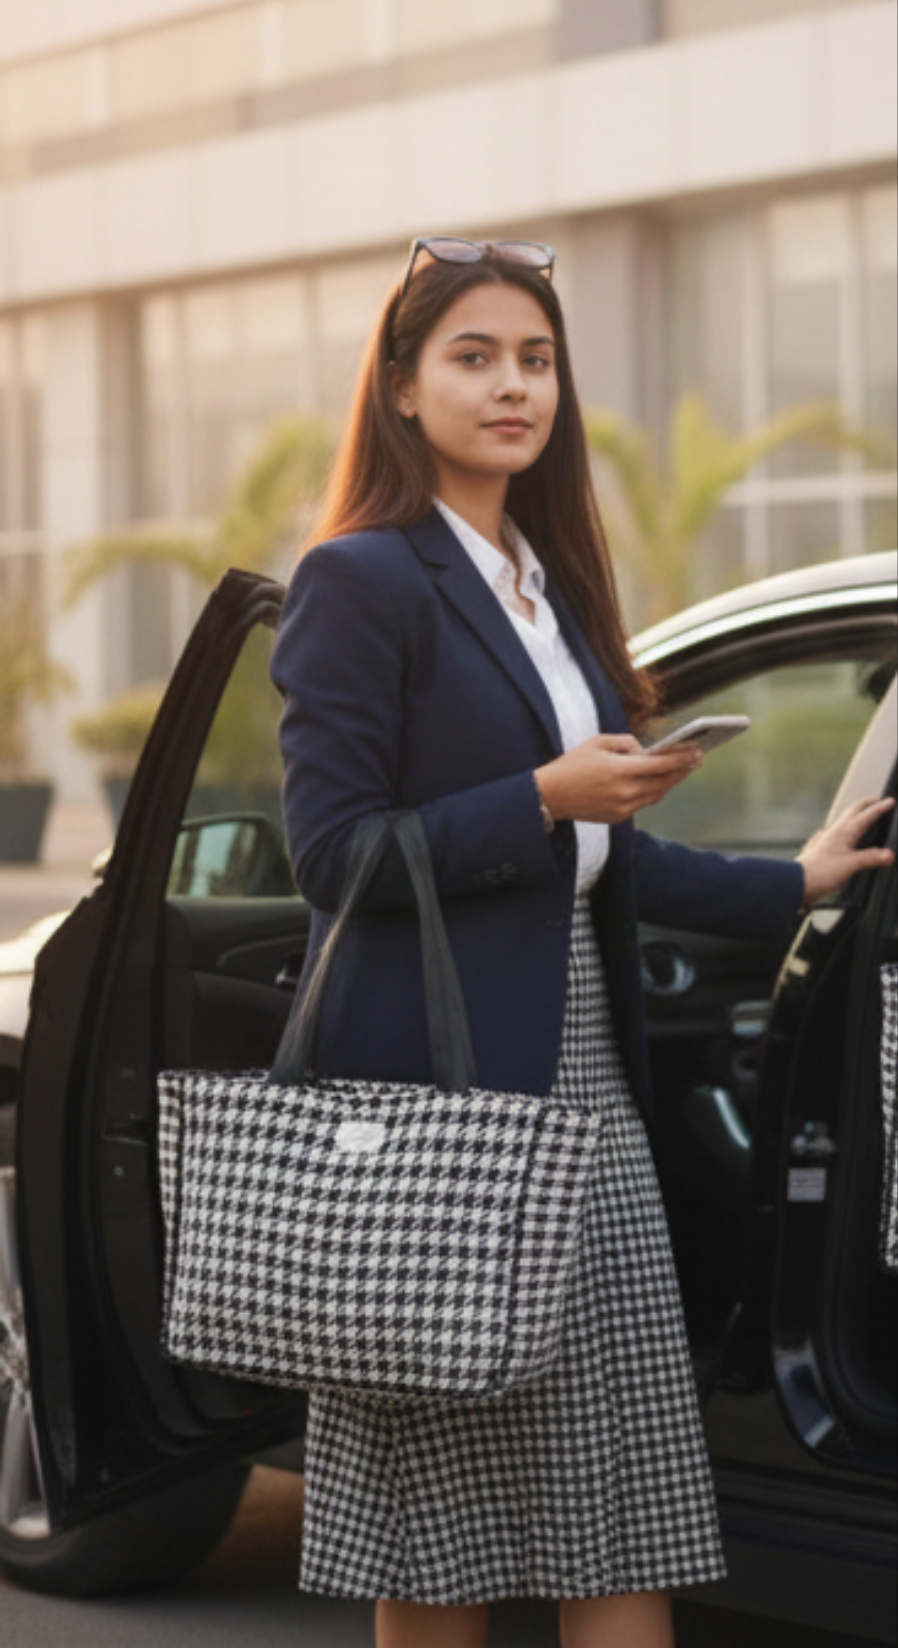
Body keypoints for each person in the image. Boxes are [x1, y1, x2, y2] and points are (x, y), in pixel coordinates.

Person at [270, 236, 894, 1648]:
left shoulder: (550, 587)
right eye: (473, 357)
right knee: (439, 1540)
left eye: (535, 360)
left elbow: (601, 856)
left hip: (593, 1101)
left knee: (620, 1509)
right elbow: (336, 857)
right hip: (445, 1116)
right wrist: (540, 798)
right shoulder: (357, 582)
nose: (512, 387)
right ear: (401, 386)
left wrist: (787, 882)